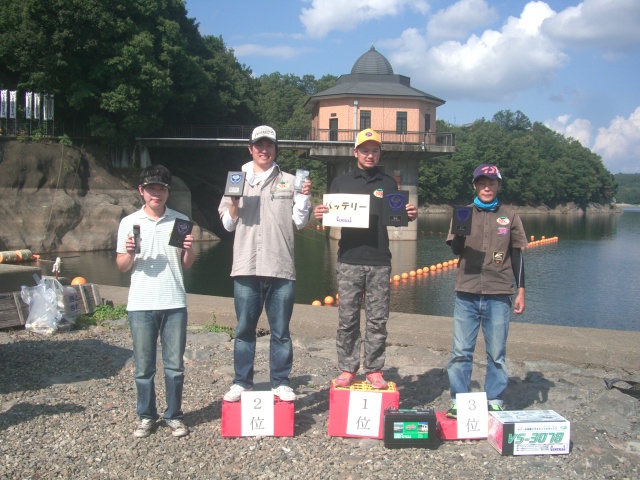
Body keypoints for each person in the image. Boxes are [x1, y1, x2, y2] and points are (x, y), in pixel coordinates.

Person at [313, 128, 417, 389]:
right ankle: (347, 367)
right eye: (365, 150)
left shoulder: (389, 183)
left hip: (380, 259)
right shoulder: (341, 183)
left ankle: (374, 368)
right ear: (355, 152)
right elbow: (330, 214)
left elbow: (397, 216)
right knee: (347, 319)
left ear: (380, 153)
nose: (370, 155)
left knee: (377, 319)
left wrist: (409, 214)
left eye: (375, 150)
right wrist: (321, 213)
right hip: (349, 258)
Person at [218, 125, 312, 402]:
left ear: (275, 148)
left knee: (281, 332)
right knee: (244, 329)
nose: (264, 150)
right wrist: (234, 202)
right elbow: (227, 224)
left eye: (269, 145)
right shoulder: (236, 180)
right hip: (246, 266)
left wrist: (305, 197)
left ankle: (281, 381)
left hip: (281, 266)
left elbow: (300, 222)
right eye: (258, 145)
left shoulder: (291, 180)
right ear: (250, 149)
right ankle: (242, 381)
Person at [116, 165, 195, 438]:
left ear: (168, 192)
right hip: (140, 303)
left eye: (161, 188)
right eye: (151, 188)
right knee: (144, 367)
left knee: (175, 367)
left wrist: (188, 250)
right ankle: (146, 416)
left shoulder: (180, 221)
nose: (156, 193)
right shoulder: (130, 223)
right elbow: (123, 266)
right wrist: (129, 253)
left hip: (174, 301)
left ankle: (174, 415)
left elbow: (186, 263)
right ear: (142, 191)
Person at [445, 163, 527, 418]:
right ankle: (459, 400)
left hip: (499, 293)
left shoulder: (510, 216)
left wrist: (521, 289)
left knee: (496, 353)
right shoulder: (463, 213)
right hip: (466, 292)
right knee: (461, 351)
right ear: (475, 185)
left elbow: (518, 255)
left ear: (498, 186)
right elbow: (455, 250)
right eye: (482, 182)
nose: (487, 187)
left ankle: (494, 399)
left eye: (491, 182)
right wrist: (460, 232)